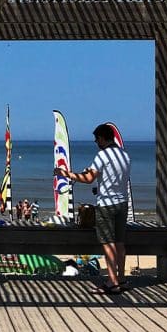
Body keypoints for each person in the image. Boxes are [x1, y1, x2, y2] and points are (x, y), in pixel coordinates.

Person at [55, 123, 132, 295]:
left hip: (107, 204)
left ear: (103, 138)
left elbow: (89, 178)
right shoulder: (125, 155)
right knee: (120, 243)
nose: (96, 142)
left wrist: (66, 174)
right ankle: (121, 278)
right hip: (123, 203)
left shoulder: (102, 155)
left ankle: (112, 282)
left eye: (97, 139)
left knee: (108, 244)